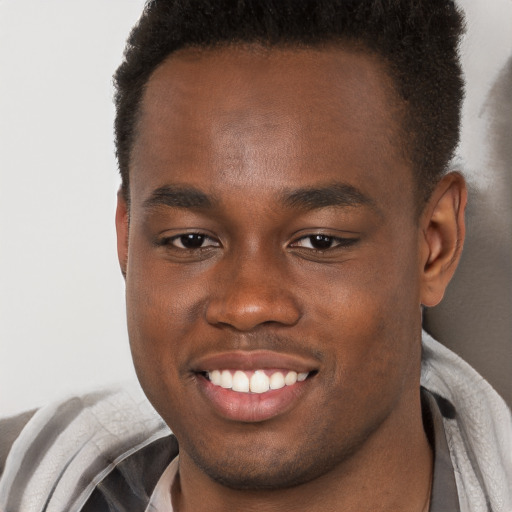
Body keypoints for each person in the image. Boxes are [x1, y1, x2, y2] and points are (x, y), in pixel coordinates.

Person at [0, 1, 511, 511]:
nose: (246, 304)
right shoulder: (23, 476)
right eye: (191, 240)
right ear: (127, 238)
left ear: (434, 245)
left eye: (320, 241)